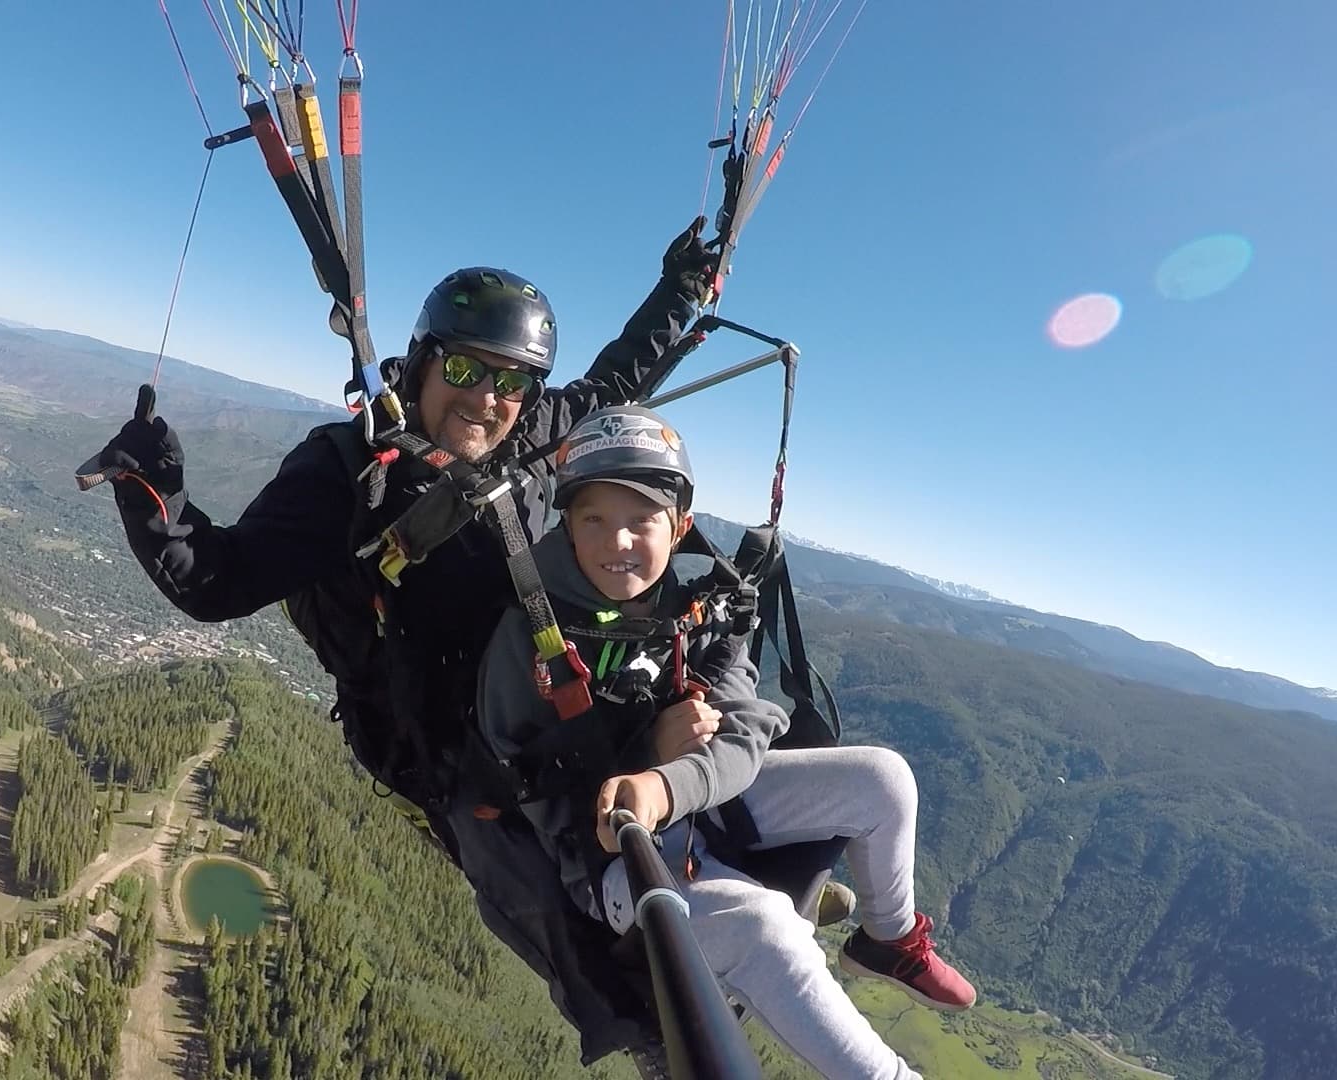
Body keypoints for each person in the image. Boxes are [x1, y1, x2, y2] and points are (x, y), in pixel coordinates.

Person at [89, 220, 720, 1070]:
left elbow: (618, 374)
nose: (486, 399)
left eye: (511, 383)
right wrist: (154, 497)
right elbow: (219, 580)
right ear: (423, 362)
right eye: (465, 370)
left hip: (541, 704)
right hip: (444, 748)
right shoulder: (349, 473)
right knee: (568, 923)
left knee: (697, 738)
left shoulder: (527, 432)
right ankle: (661, 1045)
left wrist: (682, 288)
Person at [474, 404, 978, 1080]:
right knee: (766, 927)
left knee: (882, 779)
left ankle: (888, 940)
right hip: (610, 861)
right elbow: (526, 777)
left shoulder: (697, 611)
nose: (616, 540)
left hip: (696, 802)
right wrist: (646, 757)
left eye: (641, 519)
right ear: (566, 524)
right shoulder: (530, 633)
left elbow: (747, 728)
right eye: (592, 518)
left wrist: (669, 779)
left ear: (679, 527)